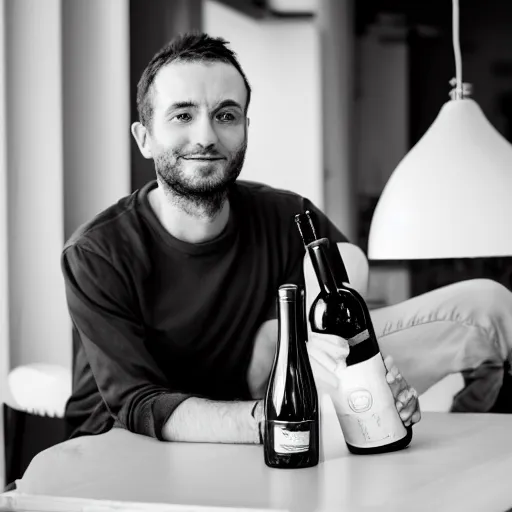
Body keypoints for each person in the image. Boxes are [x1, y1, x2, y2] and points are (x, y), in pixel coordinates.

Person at [61, 32, 510, 444]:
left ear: (245, 130)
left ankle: (479, 447)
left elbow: (346, 260)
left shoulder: (286, 212)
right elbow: (140, 406)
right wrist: (280, 419)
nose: (206, 136)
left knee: (490, 307)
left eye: (225, 115)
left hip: (274, 394)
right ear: (145, 138)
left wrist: (325, 340)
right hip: (138, 444)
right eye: (182, 115)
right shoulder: (98, 253)